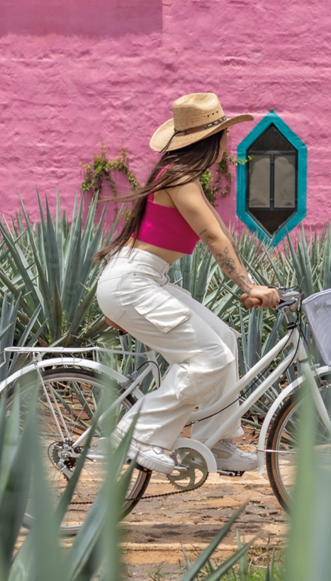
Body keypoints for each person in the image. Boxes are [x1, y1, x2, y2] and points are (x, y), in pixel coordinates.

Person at [94, 92, 280, 474]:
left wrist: (250, 283)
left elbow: (216, 231)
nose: (228, 140)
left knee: (224, 339)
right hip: (132, 283)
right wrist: (248, 287)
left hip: (145, 279)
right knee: (208, 358)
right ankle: (137, 435)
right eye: (225, 133)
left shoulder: (184, 177)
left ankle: (215, 442)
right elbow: (212, 236)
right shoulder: (177, 177)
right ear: (213, 139)